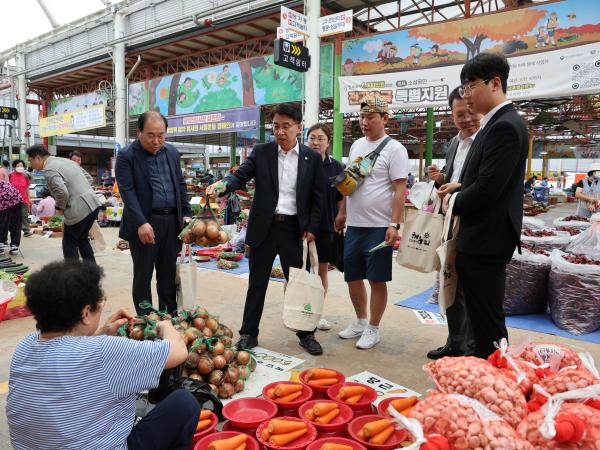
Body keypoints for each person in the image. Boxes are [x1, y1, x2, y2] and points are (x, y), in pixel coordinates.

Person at [6, 259, 197, 450]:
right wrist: (166, 326)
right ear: (86, 313)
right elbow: (177, 352)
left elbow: (69, 357)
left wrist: (101, 332)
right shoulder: (103, 351)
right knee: (184, 403)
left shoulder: (25, 346)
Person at [206, 103, 325, 355]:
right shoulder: (262, 153)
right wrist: (224, 184)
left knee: (298, 282)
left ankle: (306, 333)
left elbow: (319, 197)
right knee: (257, 282)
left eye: (286, 127)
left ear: (298, 128)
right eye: (276, 127)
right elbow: (240, 175)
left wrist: (312, 227)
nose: (280, 132)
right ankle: (249, 333)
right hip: (265, 228)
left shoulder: (311, 159)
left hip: (295, 229)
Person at [442, 52, 529, 359]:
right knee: (480, 316)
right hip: (480, 237)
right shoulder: (493, 124)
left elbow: (488, 190)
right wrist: (460, 185)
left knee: (487, 322)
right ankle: (485, 370)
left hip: (486, 239)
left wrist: (452, 201)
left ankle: (496, 378)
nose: (466, 96)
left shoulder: (505, 126)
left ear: (494, 83)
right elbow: (482, 179)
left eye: (470, 87)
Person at [335, 94, 408, 349]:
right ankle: (360, 321)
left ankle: (374, 329)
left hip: (379, 226)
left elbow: (400, 190)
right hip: (355, 224)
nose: (364, 122)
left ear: (384, 118)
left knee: (377, 279)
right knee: (352, 276)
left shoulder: (395, 149)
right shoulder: (356, 146)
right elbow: (349, 182)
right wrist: (342, 211)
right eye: (361, 117)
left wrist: (394, 224)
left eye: (370, 117)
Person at [116, 111, 192, 316]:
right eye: (151, 135)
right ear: (139, 131)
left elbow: (180, 185)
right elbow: (127, 192)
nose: (156, 140)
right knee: (143, 274)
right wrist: (140, 222)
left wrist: (185, 214)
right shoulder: (126, 156)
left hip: (171, 222)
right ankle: (146, 321)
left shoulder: (172, 153)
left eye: (161, 135)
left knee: (167, 274)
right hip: (144, 224)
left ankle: (168, 317)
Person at [426, 86, 482, 359]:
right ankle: (455, 342)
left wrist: (460, 186)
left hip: (475, 223)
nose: (466, 119)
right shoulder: (453, 143)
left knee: (471, 287)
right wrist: (440, 178)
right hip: (451, 221)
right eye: (460, 114)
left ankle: (472, 348)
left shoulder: (487, 140)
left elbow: (487, 182)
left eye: (470, 113)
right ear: (452, 114)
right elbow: (452, 177)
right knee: (450, 281)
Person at [27, 145, 102, 262]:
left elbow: (62, 192)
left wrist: (59, 208)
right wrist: (79, 191)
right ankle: (92, 274)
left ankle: (72, 277)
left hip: (78, 209)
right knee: (82, 239)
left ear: (38, 158)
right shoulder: (65, 161)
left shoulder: (49, 169)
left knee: (69, 243)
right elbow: (88, 178)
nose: (31, 164)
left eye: (30, 161)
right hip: (93, 203)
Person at [306, 123, 344, 331]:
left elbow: (341, 196)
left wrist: (341, 215)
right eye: (312, 137)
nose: (316, 142)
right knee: (297, 271)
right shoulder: (300, 163)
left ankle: (317, 313)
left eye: (320, 138)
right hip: (301, 227)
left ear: (328, 143)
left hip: (326, 227)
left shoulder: (336, 167)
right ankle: (299, 311)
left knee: (321, 272)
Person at [9, 160, 32, 237]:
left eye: (22, 166)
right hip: (13, 200)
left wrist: (29, 200)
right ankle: (13, 230)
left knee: (24, 215)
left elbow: (27, 188)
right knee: (13, 216)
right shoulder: (10, 176)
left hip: (24, 199)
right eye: (18, 166)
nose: (20, 167)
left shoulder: (25, 176)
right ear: (14, 166)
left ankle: (26, 231)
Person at [0, 180, 23, 255]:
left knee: (2, 225)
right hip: (16, 199)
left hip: (6, 200)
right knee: (15, 225)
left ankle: (1, 248)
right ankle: (14, 246)